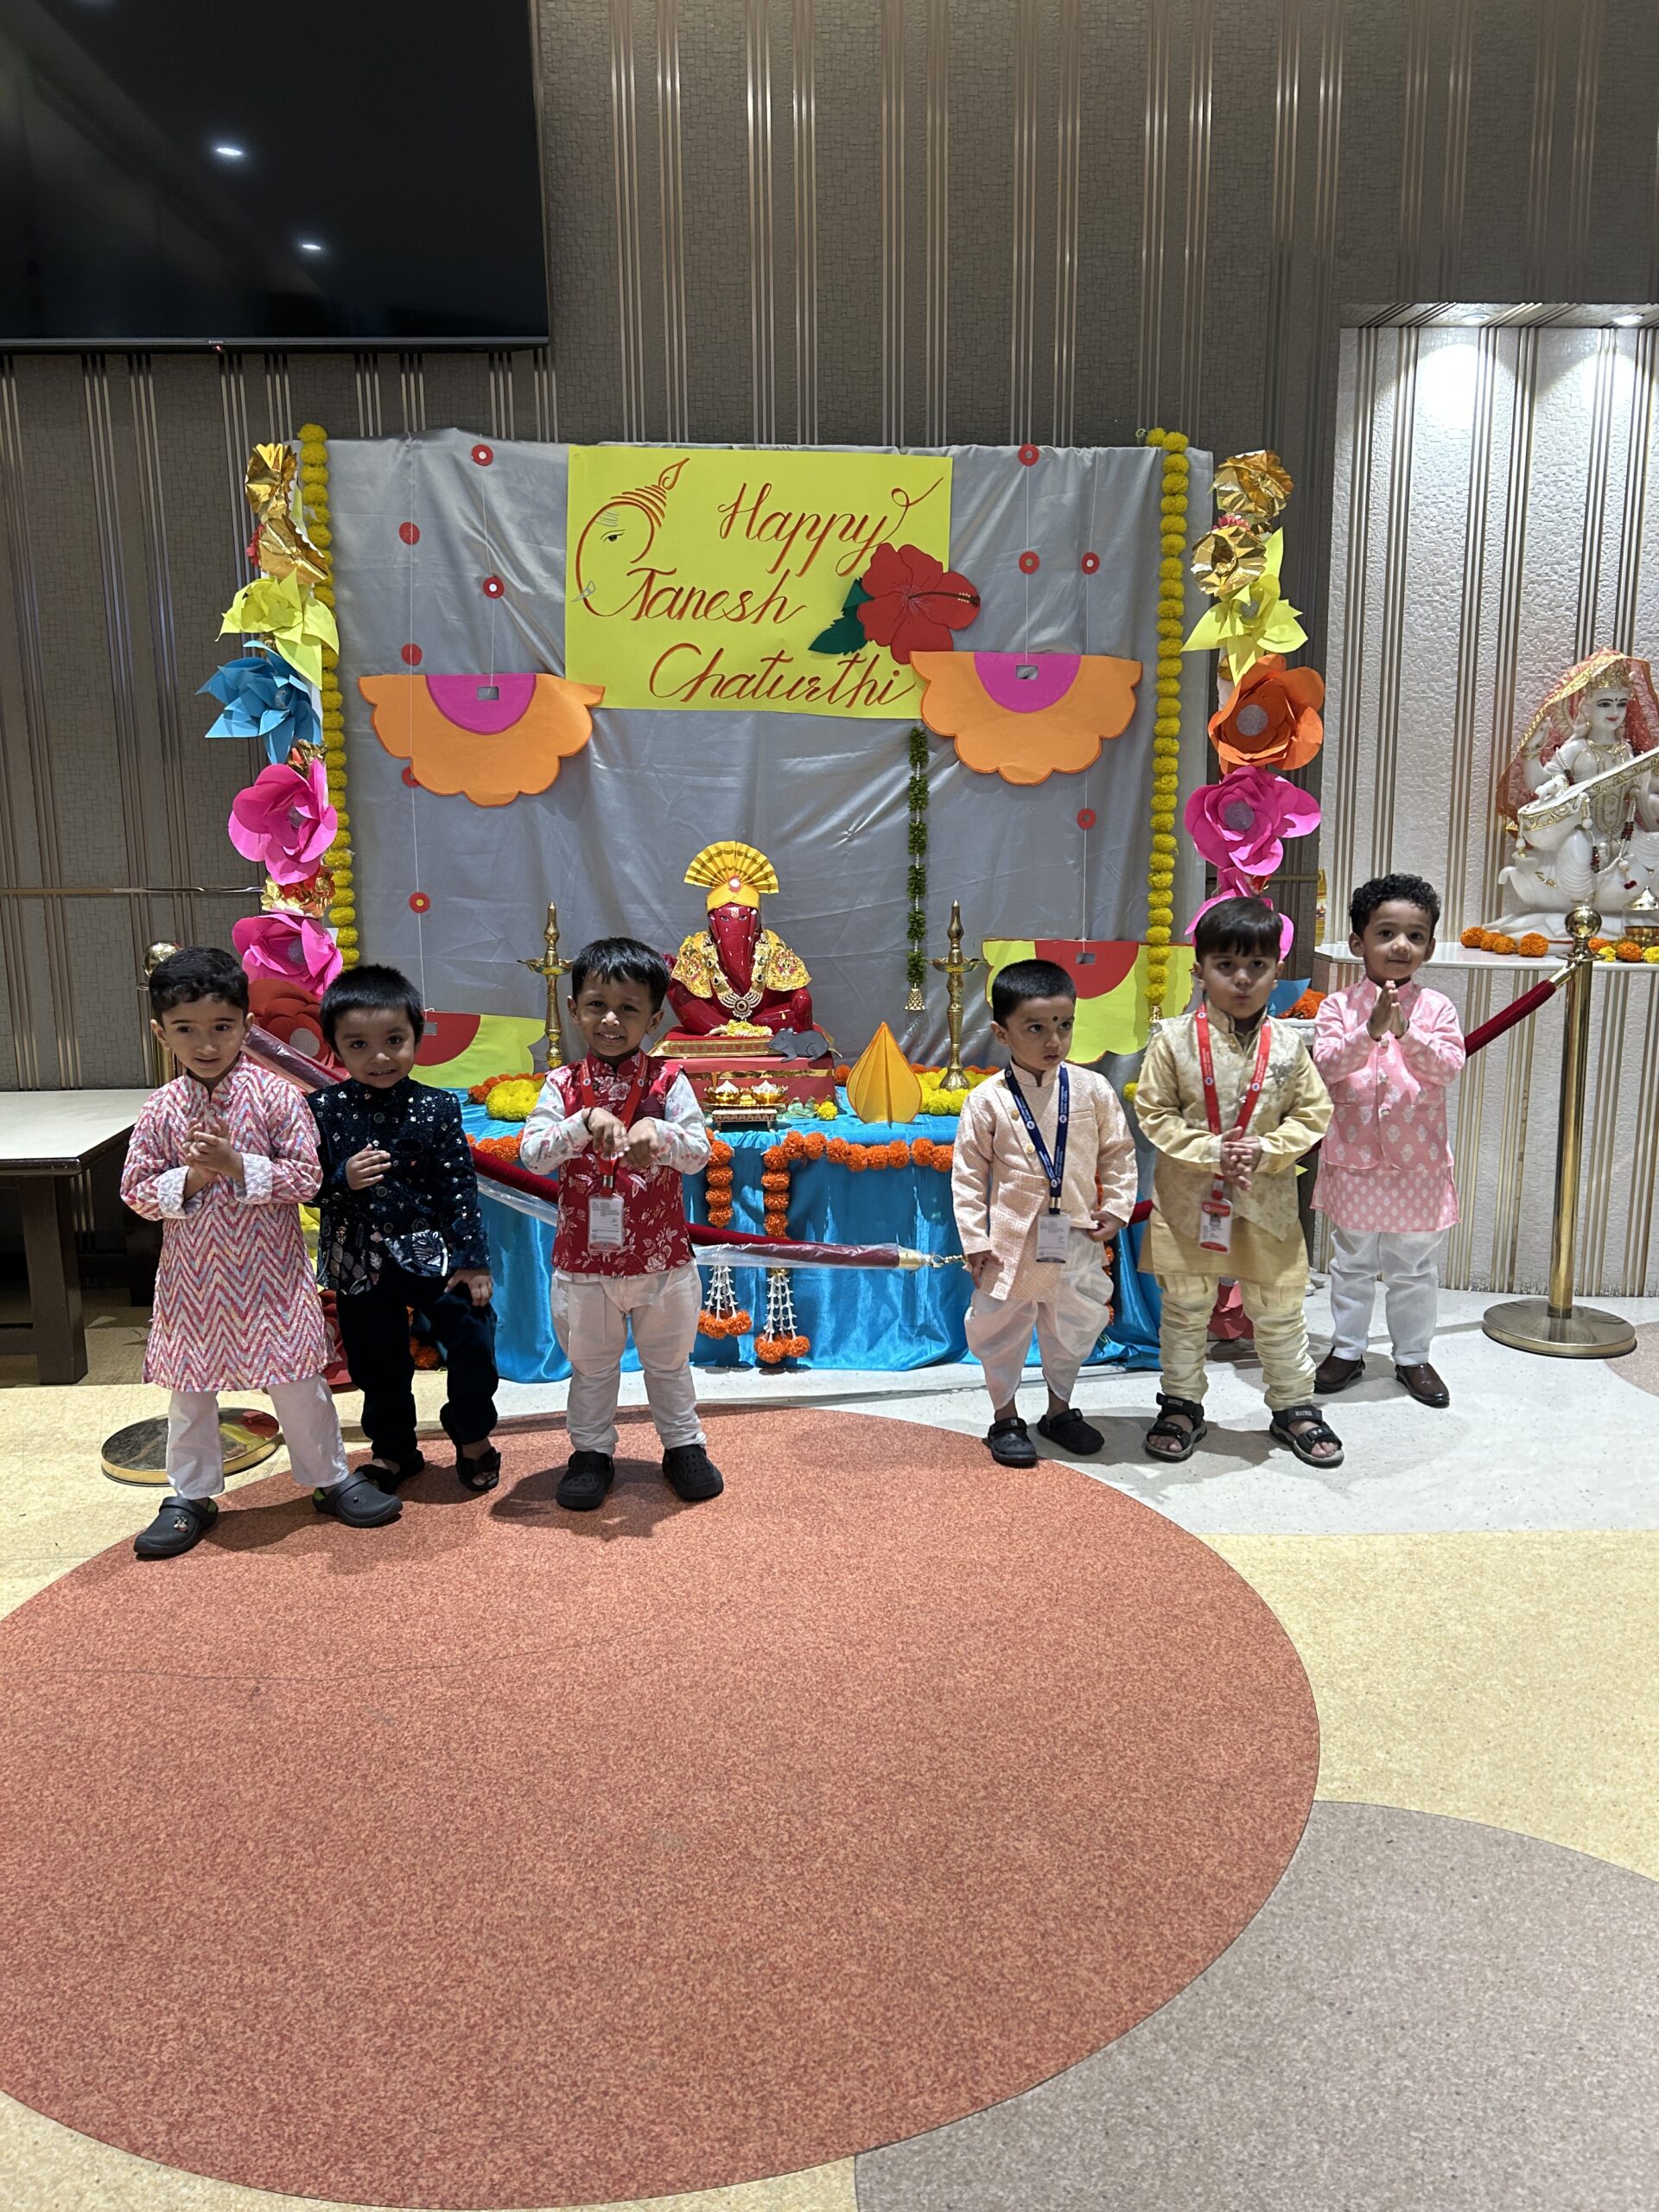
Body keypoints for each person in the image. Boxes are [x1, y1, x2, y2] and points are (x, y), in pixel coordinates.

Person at [120, 946, 400, 1558]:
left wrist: (235, 1165)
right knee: (190, 1394)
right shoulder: (161, 1109)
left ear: (247, 1025)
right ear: (160, 1032)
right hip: (194, 1284)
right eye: (186, 1029)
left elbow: (307, 1178)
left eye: (222, 1026)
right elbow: (136, 1192)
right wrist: (195, 1177)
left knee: (299, 1385)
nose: (206, 1043)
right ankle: (190, 1493)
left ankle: (329, 1477)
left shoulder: (278, 1097)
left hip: (272, 1278)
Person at [1135, 896, 1342, 1467]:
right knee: (1185, 1308)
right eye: (1226, 965)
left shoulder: (1290, 1045)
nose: (1243, 979)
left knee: (1278, 1307)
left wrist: (1267, 1149)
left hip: (1266, 1199)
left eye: (1257, 965)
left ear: (1277, 970)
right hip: (1188, 1200)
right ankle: (1180, 1404)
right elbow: (1153, 1114)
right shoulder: (1173, 1040)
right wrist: (1212, 1150)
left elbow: (1313, 1113)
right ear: (1199, 969)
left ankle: (1294, 1405)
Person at [518, 937, 722, 1510]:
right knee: (591, 1369)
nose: (611, 1020)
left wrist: (661, 1134)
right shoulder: (561, 1086)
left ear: (654, 1018)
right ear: (574, 1009)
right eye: (597, 1005)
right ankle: (590, 1453)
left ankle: (683, 1445)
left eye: (629, 1008)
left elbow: (699, 1153)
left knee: (669, 1363)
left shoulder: (669, 1082)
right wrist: (582, 1123)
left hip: (663, 1260)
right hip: (585, 1264)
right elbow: (532, 1155)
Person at [309, 964, 502, 1491]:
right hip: (357, 1262)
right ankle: (394, 1450)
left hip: (435, 1255)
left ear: (417, 1037)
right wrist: (342, 1179)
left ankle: (471, 1434)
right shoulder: (321, 1110)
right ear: (335, 1048)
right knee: (376, 1363)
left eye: (394, 1040)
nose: (379, 1057)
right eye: (359, 1044)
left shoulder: (437, 1106)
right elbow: (303, 1185)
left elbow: (459, 1185)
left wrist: (473, 1259)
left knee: (474, 1336)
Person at [951, 957, 1138, 1467]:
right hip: (1010, 1241)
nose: (1054, 1040)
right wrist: (975, 1239)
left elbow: (1119, 1153)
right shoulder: (987, 1100)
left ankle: (1059, 1410)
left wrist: (1116, 1207)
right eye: (1035, 1028)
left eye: (1064, 1025)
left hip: (1075, 1233)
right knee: (1000, 1326)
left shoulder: (1092, 1089)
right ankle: (1005, 1417)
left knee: (1073, 1323)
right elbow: (968, 1176)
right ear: (1001, 1033)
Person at [1311, 874, 1465, 1408]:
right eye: (1386, 933)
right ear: (1359, 943)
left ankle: (1413, 1357)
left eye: (1415, 936)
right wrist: (1369, 1029)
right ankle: (1347, 1350)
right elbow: (1327, 1067)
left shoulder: (1437, 1008)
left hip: (1418, 1162)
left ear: (1429, 946)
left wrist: (1404, 1030)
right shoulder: (1336, 1007)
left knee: (1414, 1266)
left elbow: (1447, 1068)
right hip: (1354, 1157)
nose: (1401, 945)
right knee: (1351, 1260)